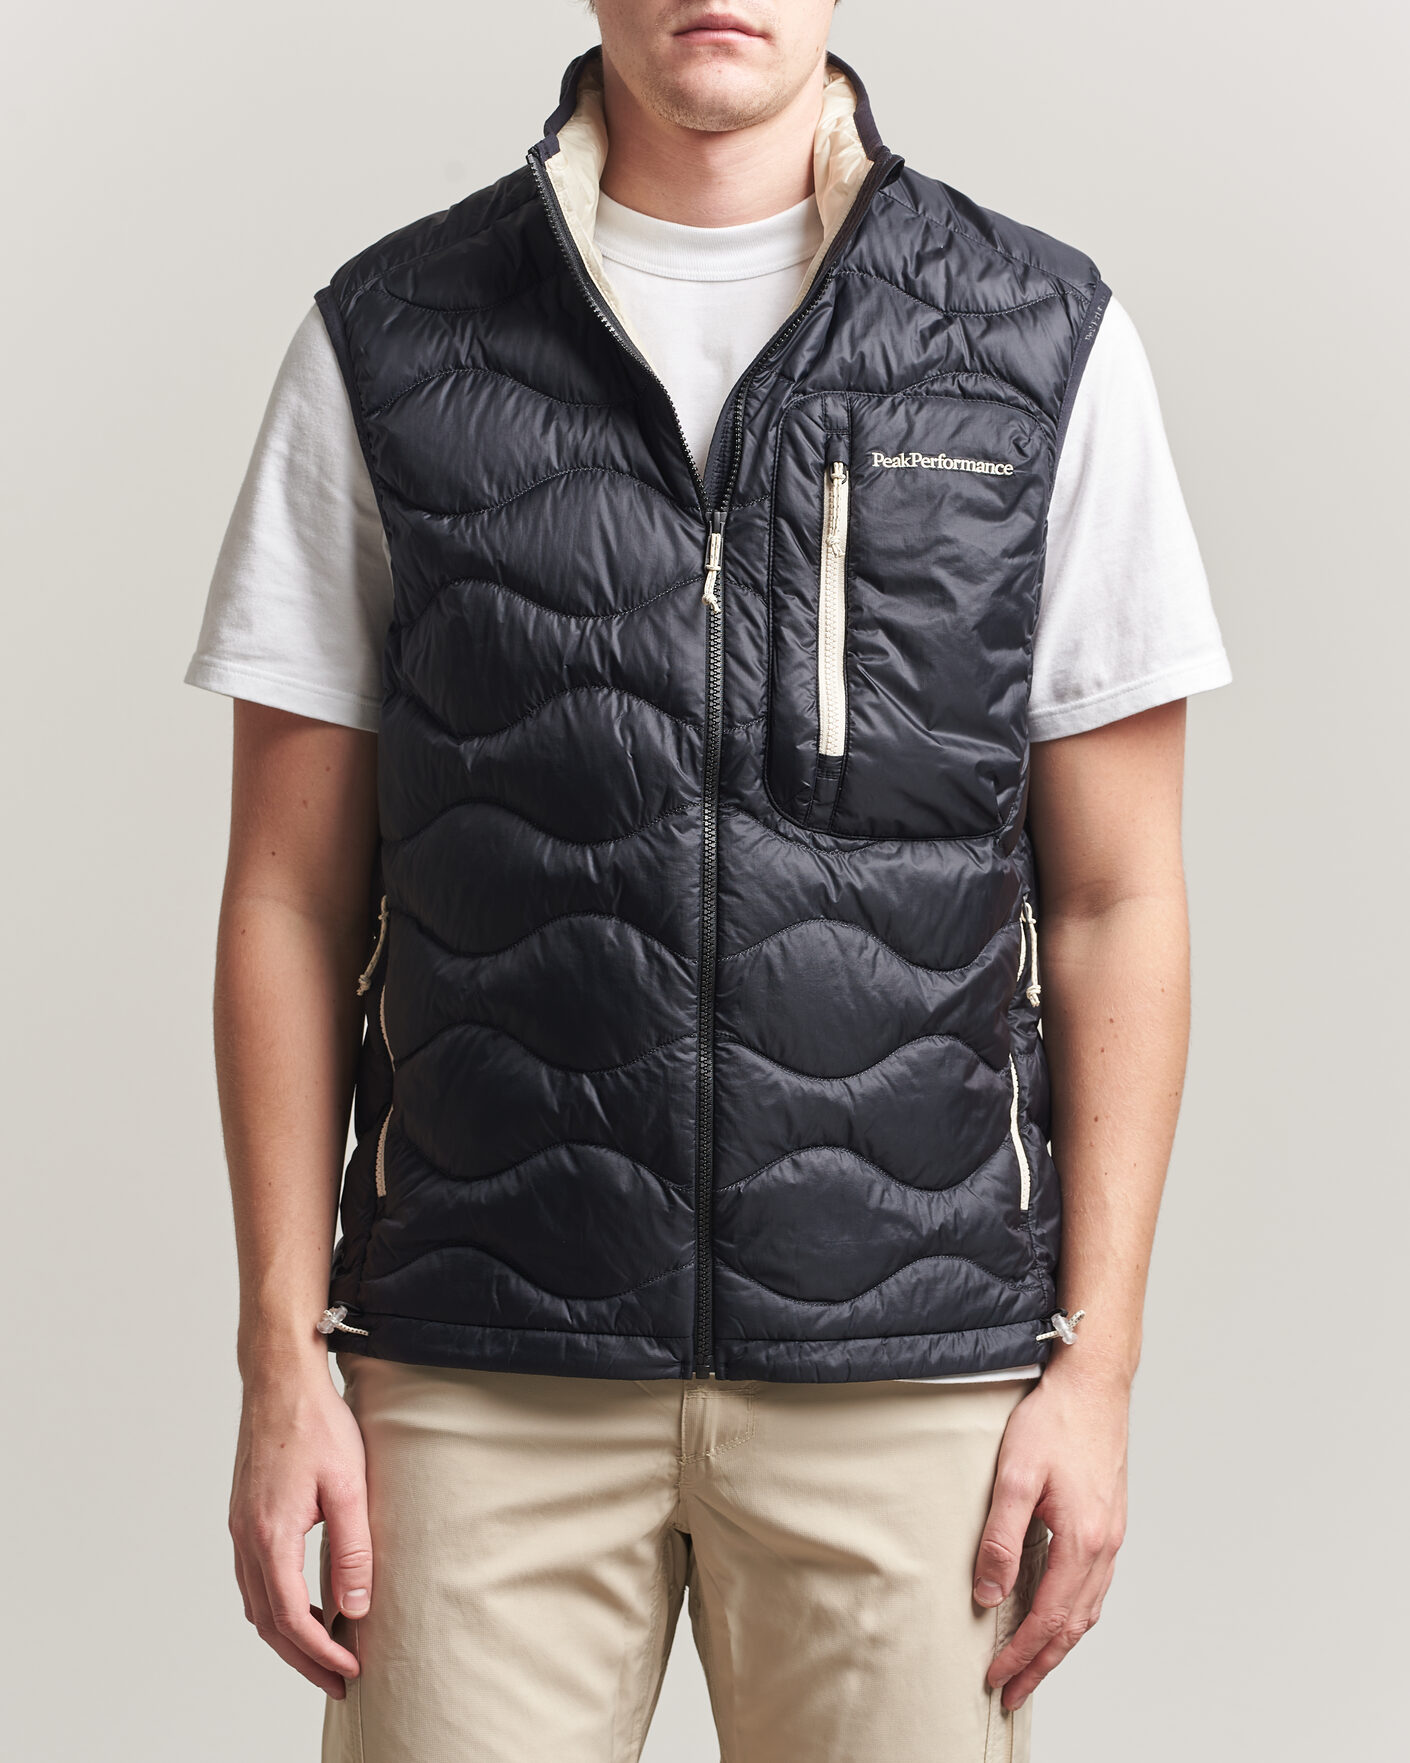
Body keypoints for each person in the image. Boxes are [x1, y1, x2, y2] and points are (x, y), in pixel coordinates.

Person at [188, 4, 1231, 1758]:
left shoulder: (1038, 338)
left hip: (910, 1376)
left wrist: (1099, 1365)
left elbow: (1117, 898)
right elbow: (288, 900)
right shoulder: (390, 337)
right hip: (476, 1371)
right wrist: (280, 1358)